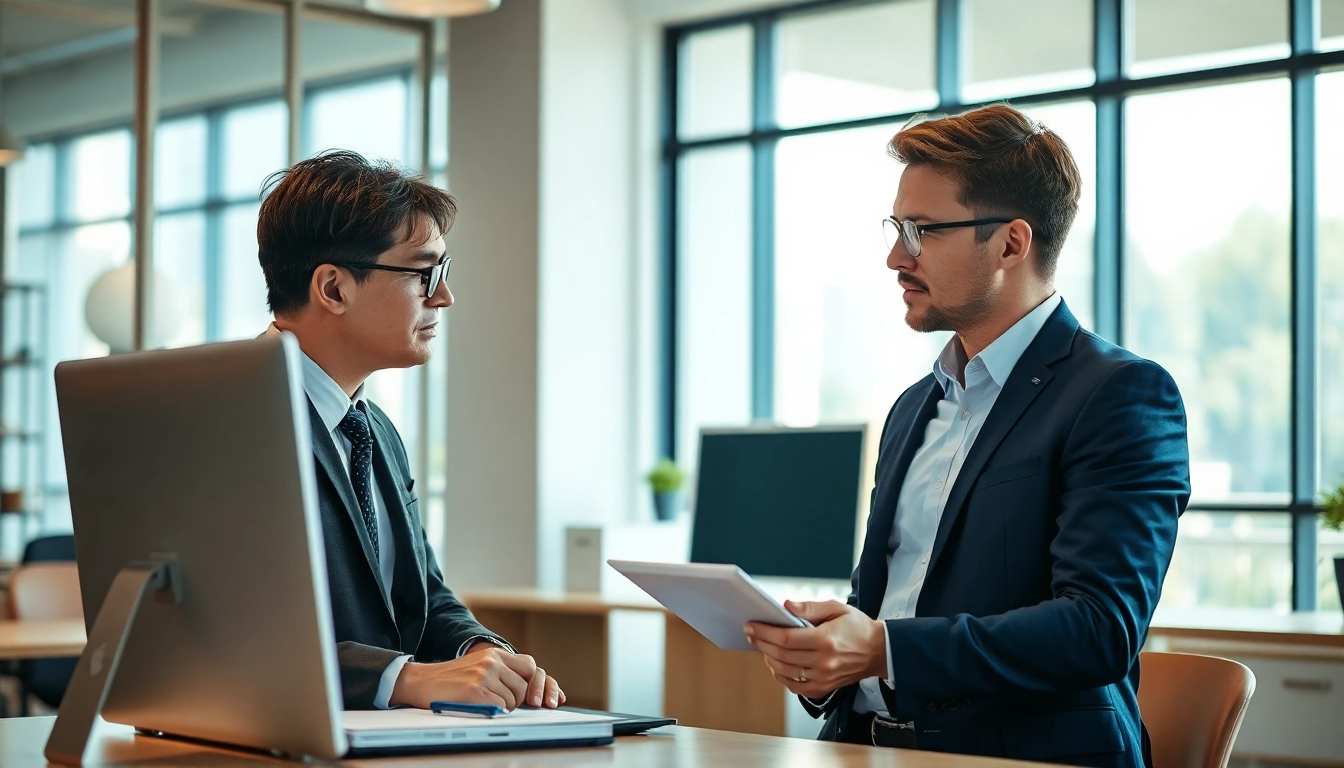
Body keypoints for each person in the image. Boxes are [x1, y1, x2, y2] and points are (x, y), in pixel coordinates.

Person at [745, 105, 1190, 768]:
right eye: (898, 228)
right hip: (860, 750)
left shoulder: (1118, 396)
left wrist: (884, 649)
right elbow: (884, 605)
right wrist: (831, 653)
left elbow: (1100, 628)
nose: (896, 257)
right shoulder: (913, 408)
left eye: (921, 231)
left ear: (1011, 244)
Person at [257, 150, 565, 712]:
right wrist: (406, 680)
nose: (444, 296)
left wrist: (485, 653)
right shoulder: (230, 418)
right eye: (426, 274)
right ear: (333, 289)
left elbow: (421, 594)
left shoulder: (374, 431)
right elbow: (229, 628)